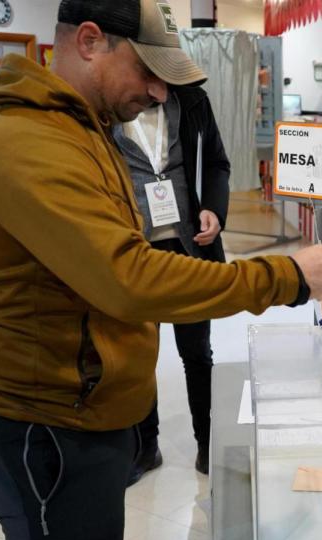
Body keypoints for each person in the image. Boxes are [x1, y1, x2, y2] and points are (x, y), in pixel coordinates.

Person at [0, 1, 322, 540]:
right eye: (149, 72)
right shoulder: (32, 142)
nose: (161, 95)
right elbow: (128, 276)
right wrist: (284, 276)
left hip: (84, 413)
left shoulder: (84, 131)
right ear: (90, 41)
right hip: (47, 428)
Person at [113, 79, 230, 481]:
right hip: (133, 252)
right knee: (137, 354)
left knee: (197, 352)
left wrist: (214, 208)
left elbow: (216, 162)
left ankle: (205, 442)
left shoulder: (194, 101)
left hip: (190, 247)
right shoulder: (109, 105)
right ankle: (146, 445)